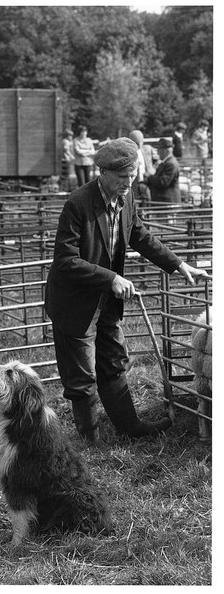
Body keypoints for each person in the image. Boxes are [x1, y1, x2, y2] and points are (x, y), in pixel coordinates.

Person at [44, 138, 209, 444]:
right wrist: (110, 278)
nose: (127, 183)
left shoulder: (126, 197)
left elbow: (138, 234)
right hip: (76, 302)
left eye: (132, 176)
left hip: (106, 299)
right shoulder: (78, 204)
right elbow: (65, 260)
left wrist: (177, 264)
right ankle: (90, 441)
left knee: (114, 360)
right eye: (121, 177)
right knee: (82, 374)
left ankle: (129, 426)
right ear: (102, 172)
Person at [145, 138, 181, 203]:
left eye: (159, 149)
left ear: (164, 150)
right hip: (165, 201)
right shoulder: (167, 162)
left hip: (168, 202)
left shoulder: (171, 164)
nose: (157, 152)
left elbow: (163, 182)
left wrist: (149, 176)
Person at [128, 129, 155, 203]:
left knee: (147, 203)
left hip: (145, 183)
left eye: (141, 142)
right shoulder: (127, 154)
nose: (139, 145)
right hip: (133, 185)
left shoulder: (147, 150)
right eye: (136, 143)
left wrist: (150, 172)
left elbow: (153, 165)